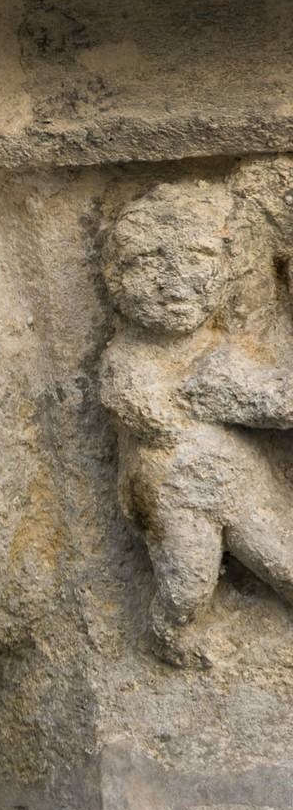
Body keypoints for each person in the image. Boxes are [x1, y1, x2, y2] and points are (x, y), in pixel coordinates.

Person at [99, 179, 293, 664]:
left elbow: (272, 400)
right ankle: (167, 634)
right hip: (176, 502)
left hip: (241, 486)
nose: (172, 283)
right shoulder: (130, 362)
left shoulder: (222, 352)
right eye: (147, 265)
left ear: (227, 274)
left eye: (196, 261)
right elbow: (152, 412)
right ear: (115, 280)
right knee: (186, 589)